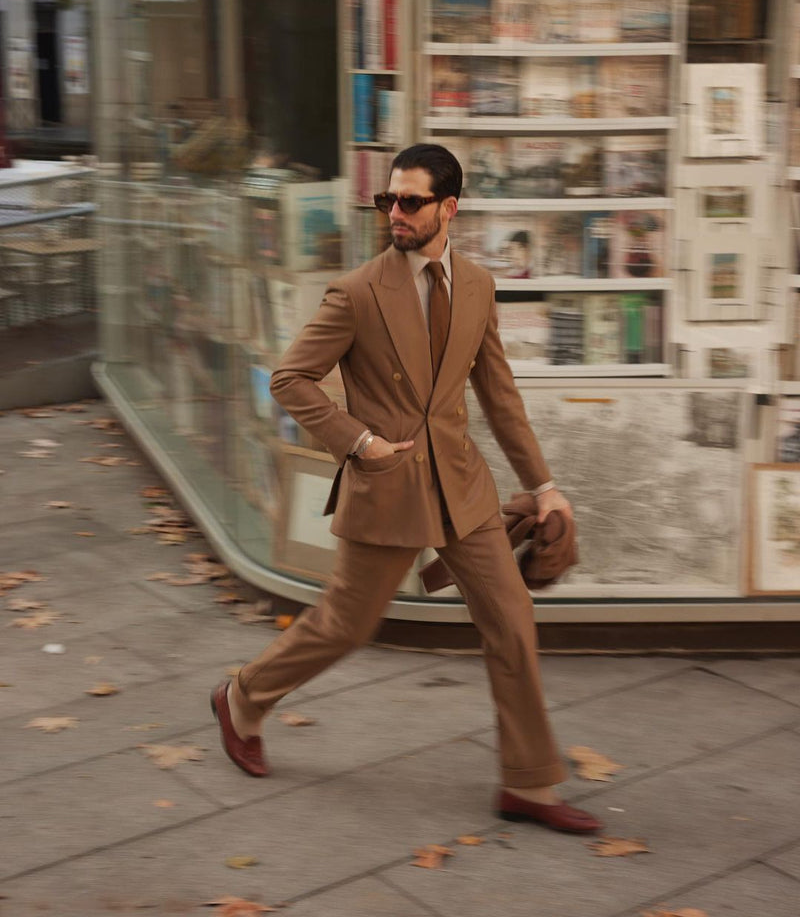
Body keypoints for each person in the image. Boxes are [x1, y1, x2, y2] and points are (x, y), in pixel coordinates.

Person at [211, 143, 602, 835]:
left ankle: (530, 785)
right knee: (346, 624)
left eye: (411, 201)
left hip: (463, 485)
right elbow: (290, 379)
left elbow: (499, 396)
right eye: (387, 200)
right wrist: (357, 441)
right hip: (388, 484)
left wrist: (543, 486)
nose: (395, 212)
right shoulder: (359, 291)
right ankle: (243, 697)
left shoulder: (478, 285)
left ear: (449, 208)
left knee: (512, 620)